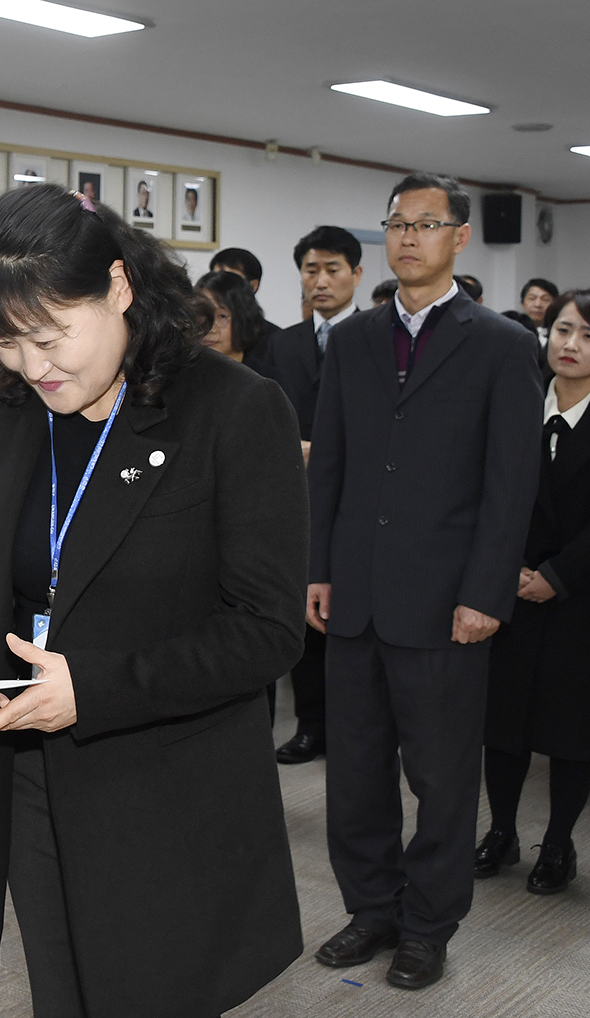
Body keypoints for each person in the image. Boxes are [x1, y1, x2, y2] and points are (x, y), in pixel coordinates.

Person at [0, 184, 307, 1017]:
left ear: (117, 288)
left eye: (49, 336)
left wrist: (97, 687)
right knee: (63, 990)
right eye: (5, 343)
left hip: (166, 786)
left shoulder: (232, 410)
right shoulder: (6, 405)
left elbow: (267, 630)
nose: (33, 366)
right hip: (36, 776)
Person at [307, 173, 542, 991]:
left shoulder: (505, 345)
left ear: (459, 237)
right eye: (397, 224)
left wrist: (488, 593)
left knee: (441, 777)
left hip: (448, 603)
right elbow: (328, 463)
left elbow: (512, 485)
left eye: (427, 223)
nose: (409, 236)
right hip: (357, 597)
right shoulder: (357, 341)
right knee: (357, 770)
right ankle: (370, 908)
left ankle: (427, 925)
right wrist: (320, 569)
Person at [477, 289, 590, 895]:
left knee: (572, 729)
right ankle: (501, 831)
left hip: (579, 598)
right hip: (512, 588)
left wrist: (559, 575)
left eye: (587, 336)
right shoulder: (522, 403)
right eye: (564, 330)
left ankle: (559, 843)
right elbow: (492, 489)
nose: (570, 345)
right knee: (505, 721)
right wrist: (512, 568)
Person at [259, 225, 364, 765]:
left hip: (358, 499)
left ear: (356, 275)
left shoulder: (371, 335)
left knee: (349, 619)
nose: (321, 281)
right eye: (310, 270)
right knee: (303, 614)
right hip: (296, 498)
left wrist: (319, 448)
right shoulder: (285, 341)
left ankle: (351, 727)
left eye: (333, 270)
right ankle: (309, 726)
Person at [196, 269, 271, 369]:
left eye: (222, 316)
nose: (211, 329)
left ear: (243, 319)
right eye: (203, 315)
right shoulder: (179, 376)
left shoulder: (265, 380)